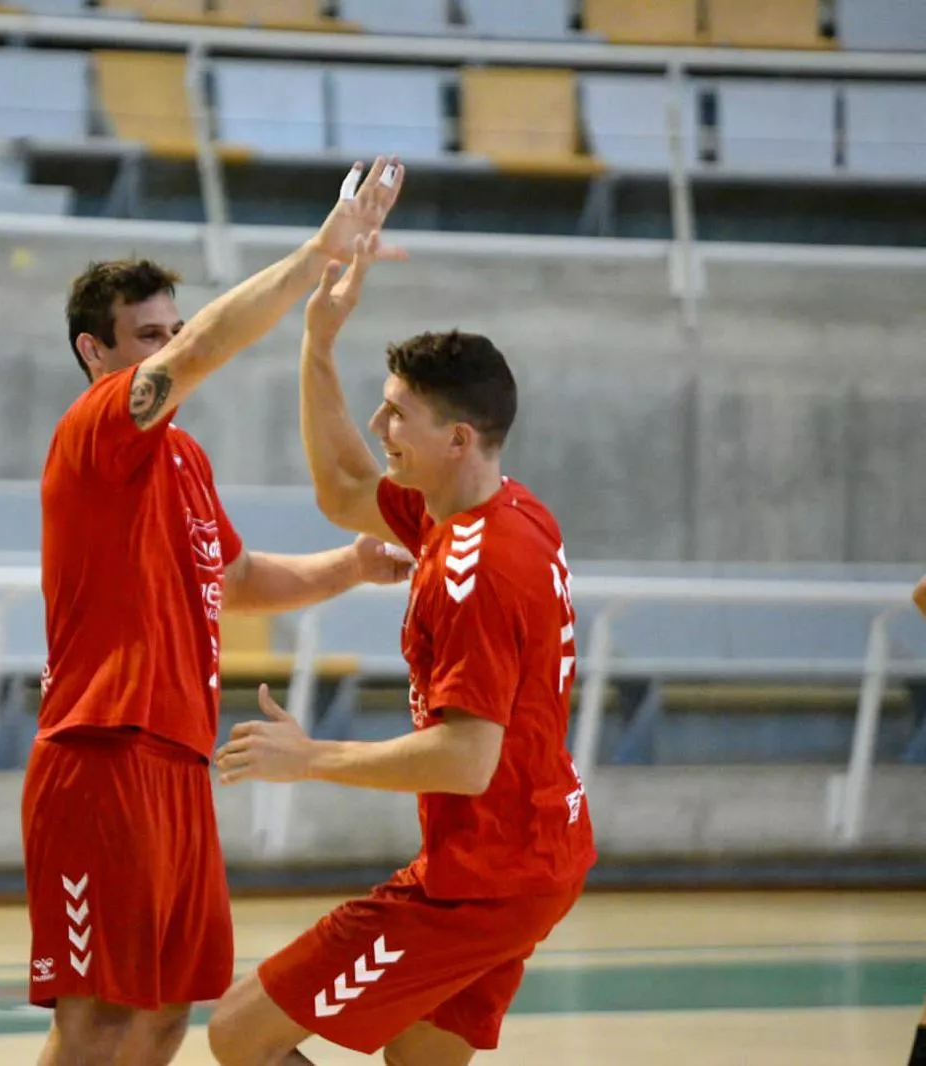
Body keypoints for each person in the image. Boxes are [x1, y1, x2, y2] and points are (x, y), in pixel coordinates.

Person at [24, 157, 415, 1066]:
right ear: (97, 352)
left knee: (165, 1015)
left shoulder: (184, 460)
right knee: (97, 1020)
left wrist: (351, 564)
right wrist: (319, 252)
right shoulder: (95, 432)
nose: (168, 345)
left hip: (173, 757)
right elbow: (205, 348)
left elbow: (236, 581)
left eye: (170, 328)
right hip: (101, 751)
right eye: (148, 335)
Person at [205, 229, 598, 1066]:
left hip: (483, 879)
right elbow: (343, 488)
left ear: (459, 438)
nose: (379, 423)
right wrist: (316, 344)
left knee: (241, 1035)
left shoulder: (476, 568)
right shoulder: (499, 509)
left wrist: (310, 758)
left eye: (398, 414)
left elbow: (465, 761)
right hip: (535, 855)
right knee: (419, 1056)